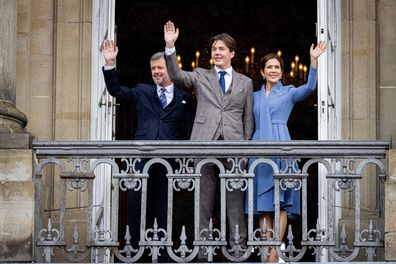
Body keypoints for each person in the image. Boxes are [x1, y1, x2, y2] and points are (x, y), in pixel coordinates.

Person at [163, 21, 254, 260]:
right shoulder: (201, 76)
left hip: (234, 147)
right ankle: (203, 250)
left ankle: (238, 250)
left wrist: (245, 149)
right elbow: (176, 75)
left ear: (232, 53)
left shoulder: (246, 82)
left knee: (235, 201)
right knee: (203, 201)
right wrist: (170, 46)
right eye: (214, 49)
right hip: (204, 143)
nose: (217, 52)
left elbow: (248, 120)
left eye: (222, 49)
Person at [101, 39, 195, 261]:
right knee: (137, 205)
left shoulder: (185, 98)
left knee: (165, 207)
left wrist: (188, 161)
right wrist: (110, 63)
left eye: (160, 67)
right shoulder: (143, 91)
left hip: (169, 162)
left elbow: (190, 132)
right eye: (153, 69)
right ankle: (133, 251)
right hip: (141, 159)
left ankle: (164, 254)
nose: (156, 72)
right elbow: (116, 91)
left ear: (170, 68)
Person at [248, 40, 327, 262]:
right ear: (262, 72)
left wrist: (313, 61)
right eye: (269, 67)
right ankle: (266, 254)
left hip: (282, 146)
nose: (274, 71)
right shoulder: (253, 96)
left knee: (280, 203)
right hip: (258, 148)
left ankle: (275, 252)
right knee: (263, 206)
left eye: (277, 67)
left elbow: (310, 87)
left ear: (282, 72)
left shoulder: (289, 92)